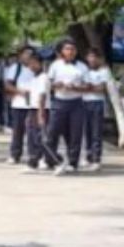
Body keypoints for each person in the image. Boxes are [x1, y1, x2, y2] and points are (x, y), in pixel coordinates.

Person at [45, 38, 89, 175]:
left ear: (76, 52)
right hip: (59, 102)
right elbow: (49, 84)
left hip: (76, 103)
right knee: (52, 133)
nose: (70, 52)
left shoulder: (82, 67)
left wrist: (76, 87)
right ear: (62, 51)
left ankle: (73, 163)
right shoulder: (55, 65)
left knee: (75, 135)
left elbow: (88, 86)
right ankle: (51, 161)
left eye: (72, 49)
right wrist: (56, 85)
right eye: (67, 49)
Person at [3, 45, 37, 166]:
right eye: (25, 53)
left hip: (34, 104)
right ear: (20, 55)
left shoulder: (36, 68)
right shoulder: (15, 68)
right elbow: (7, 85)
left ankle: (33, 155)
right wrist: (20, 92)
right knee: (18, 131)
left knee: (33, 132)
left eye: (30, 54)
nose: (28, 56)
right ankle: (15, 154)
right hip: (19, 103)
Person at [25, 52, 58, 171]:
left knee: (41, 139)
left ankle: (56, 161)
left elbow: (42, 97)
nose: (31, 66)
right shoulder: (34, 78)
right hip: (33, 109)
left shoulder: (44, 77)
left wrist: (40, 114)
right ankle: (34, 162)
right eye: (30, 63)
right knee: (33, 138)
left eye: (34, 63)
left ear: (40, 63)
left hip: (41, 110)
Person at [81, 49, 111, 171]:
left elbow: (102, 88)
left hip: (97, 103)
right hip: (84, 102)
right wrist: (89, 87)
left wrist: (89, 87)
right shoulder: (84, 70)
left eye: (94, 57)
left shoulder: (104, 71)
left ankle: (96, 159)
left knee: (96, 132)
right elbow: (81, 86)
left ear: (99, 58)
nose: (92, 59)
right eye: (90, 56)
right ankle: (88, 156)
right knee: (86, 131)